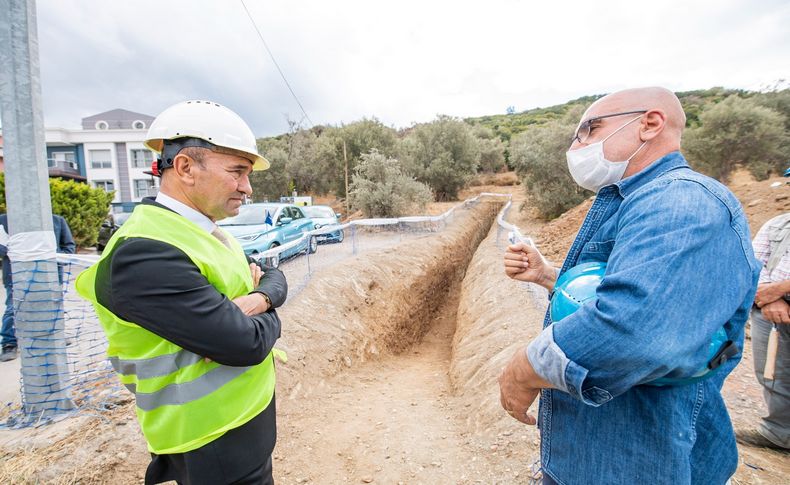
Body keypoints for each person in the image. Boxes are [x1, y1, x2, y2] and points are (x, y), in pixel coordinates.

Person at [499, 87, 760, 484]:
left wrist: (525, 368)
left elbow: (634, 327)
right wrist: (549, 276)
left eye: (588, 129)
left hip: (638, 461)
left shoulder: (682, 202)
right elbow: (628, 294)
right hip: (599, 454)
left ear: (649, 124)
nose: (577, 144)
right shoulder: (638, 200)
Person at [76, 100, 287, 485]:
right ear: (186, 168)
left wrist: (261, 299)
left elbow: (271, 276)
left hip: (241, 421)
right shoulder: (144, 252)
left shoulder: (201, 231)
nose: (248, 187)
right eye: (237, 172)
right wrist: (267, 314)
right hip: (209, 438)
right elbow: (246, 344)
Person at [737, 189, 790, 452]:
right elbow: (752, 265)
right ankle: (779, 432)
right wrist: (771, 298)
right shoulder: (777, 225)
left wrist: (780, 290)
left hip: (774, 299)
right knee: (772, 373)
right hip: (769, 310)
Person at [0, 213, 76, 362]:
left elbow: (69, 249)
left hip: (50, 276)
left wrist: (45, 252)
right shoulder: (4, 221)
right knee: (12, 308)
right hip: (16, 276)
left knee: (53, 306)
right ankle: (9, 343)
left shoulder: (57, 221)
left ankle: (56, 335)